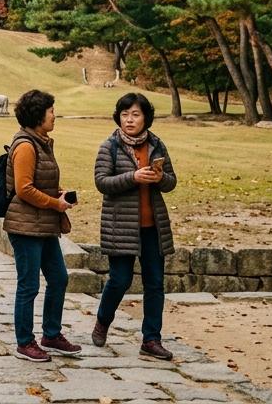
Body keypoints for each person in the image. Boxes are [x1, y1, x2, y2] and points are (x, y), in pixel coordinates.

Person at [92, 92, 178, 360]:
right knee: (120, 279)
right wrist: (134, 176)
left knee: (155, 283)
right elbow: (102, 182)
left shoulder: (157, 145)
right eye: (125, 114)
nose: (129, 120)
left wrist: (160, 177)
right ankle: (102, 321)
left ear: (145, 118)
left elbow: (172, 182)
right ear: (118, 116)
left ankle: (151, 339)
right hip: (121, 225)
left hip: (153, 226)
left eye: (135, 114)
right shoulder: (110, 146)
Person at [3, 89, 80, 362]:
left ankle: (51, 334)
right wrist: (55, 204)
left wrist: (57, 193)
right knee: (29, 285)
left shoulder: (42, 142)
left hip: (44, 225)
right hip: (25, 226)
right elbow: (24, 189)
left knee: (59, 278)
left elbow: (36, 182)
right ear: (38, 116)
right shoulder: (26, 145)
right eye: (51, 111)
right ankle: (25, 342)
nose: (54, 115)